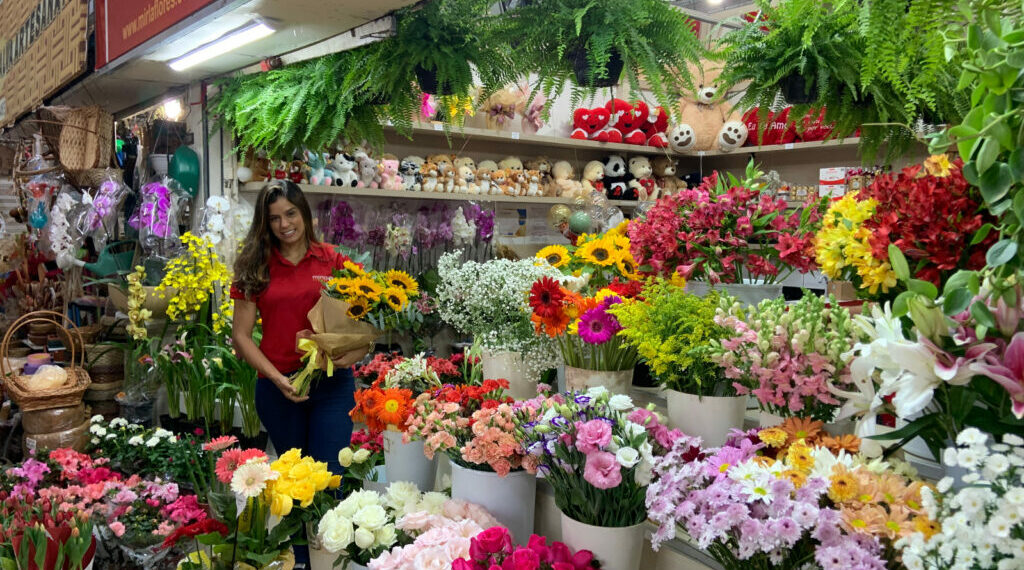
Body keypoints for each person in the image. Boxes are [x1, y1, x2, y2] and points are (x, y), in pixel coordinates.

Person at [230, 180, 368, 481]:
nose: (284, 224)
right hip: (279, 388)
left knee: (330, 479)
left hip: (331, 384)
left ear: (304, 214)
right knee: (295, 484)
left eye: (290, 214)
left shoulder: (332, 260)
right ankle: (298, 532)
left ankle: (329, 530)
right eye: (275, 218)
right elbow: (240, 336)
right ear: (265, 223)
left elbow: (367, 313)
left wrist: (360, 349)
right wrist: (278, 379)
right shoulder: (255, 266)